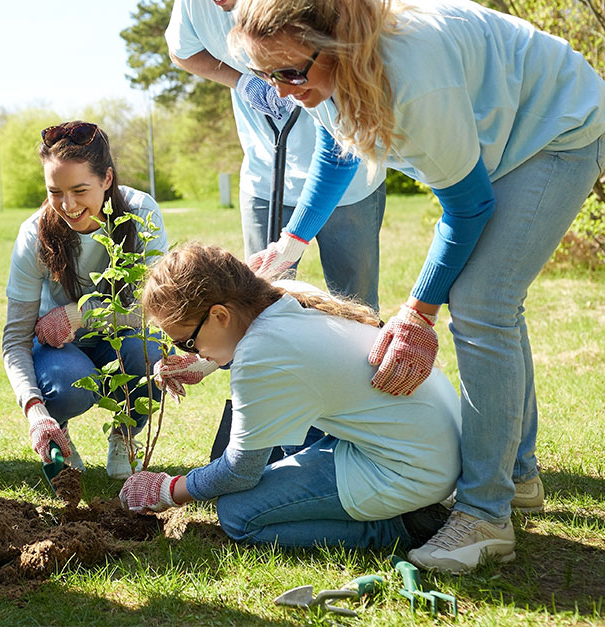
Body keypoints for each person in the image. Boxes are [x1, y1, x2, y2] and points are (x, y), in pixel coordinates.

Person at [231, 0, 605, 572]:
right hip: (499, 138)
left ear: (335, 47)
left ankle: (485, 514)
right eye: (264, 76)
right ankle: (519, 475)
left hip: (556, 127)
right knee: (492, 304)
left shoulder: (413, 80)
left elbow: (469, 206)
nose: (279, 92)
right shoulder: (325, 73)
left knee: (482, 304)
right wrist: (291, 244)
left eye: (288, 74)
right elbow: (338, 150)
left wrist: (416, 314)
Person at [121, 243, 461, 552]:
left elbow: (240, 472)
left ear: (220, 316)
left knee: (238, 513)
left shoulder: (260, 355)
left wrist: (169, 489)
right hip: (429, 445)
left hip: (408, 470)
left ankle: (399, 526)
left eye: (186, 342)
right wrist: (201, 360)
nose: (189, 351)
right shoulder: (284, 295)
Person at [165, 0, 386, 310]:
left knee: (357, 305)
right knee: (260, 304)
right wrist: (241, 80)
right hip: (265, 175)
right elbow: (181, 51)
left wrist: (299, 78)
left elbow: (339, 145)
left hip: (348, 184)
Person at [2, 121, 169, 481]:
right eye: (55, 192)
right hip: (56, 350)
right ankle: (57, 430)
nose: (68, 205)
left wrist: (80, 315)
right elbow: (14, 340)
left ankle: (124, 435)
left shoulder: (140, 214)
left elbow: (156, 308)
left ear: (107, 179)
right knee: (69, 384)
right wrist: (35, 412)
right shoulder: (34, 235)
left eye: (80, 190)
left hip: (121, 339)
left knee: (151, 354)